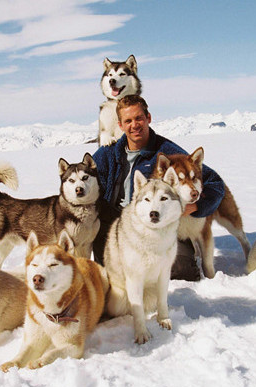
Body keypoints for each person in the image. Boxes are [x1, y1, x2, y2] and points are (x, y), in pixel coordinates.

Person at [92, 95, 225, 281]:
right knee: (109, 273)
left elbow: (215, 184)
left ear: (148, 118)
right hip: (116, 223)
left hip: (159, 225)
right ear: (120, 125)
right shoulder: (107, 154)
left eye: (139, 118)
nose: (134, 125)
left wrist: (196, 207)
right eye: (128, 121)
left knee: (181, 270)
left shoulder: (167, 151)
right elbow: (85, 181)